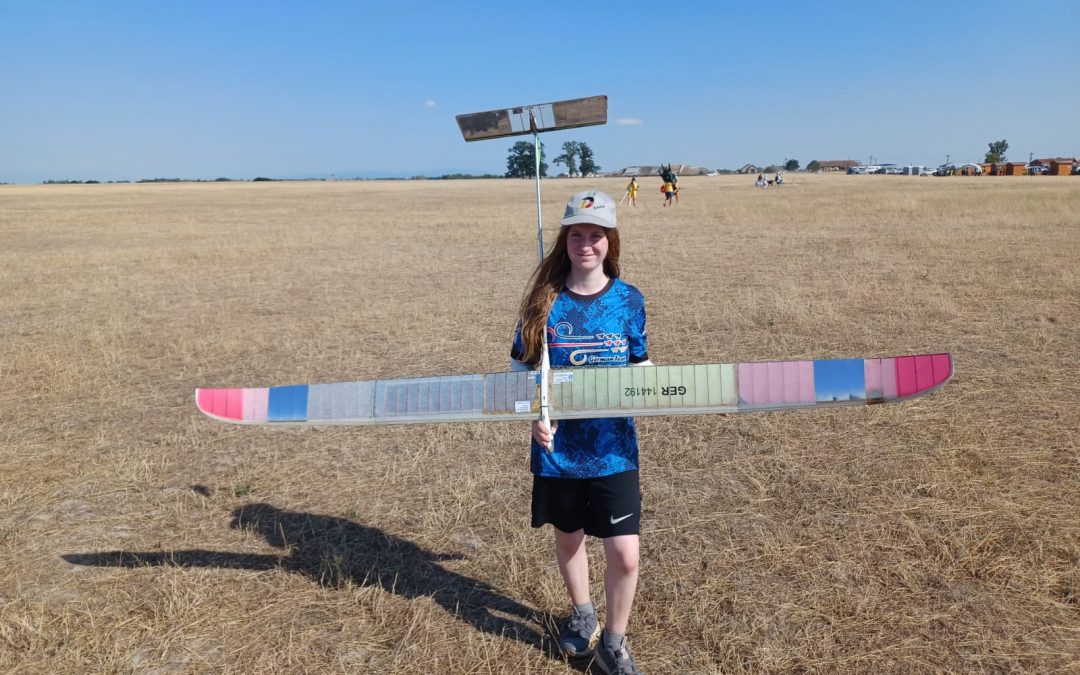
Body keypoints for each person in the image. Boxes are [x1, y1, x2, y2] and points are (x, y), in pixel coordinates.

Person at [510, 189, 650, 675]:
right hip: (558, 451)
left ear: (610, 240)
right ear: (564, 239)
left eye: (595, 235)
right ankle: (582, 613)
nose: (585, 244)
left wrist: (698, 397)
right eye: (576, 234)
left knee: (625, 555)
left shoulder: (629, 299)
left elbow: (643, 368)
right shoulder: (542, 302)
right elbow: (518, 369)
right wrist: (532, 414)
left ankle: (614, 644)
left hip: (614, 448)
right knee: (568, 539)